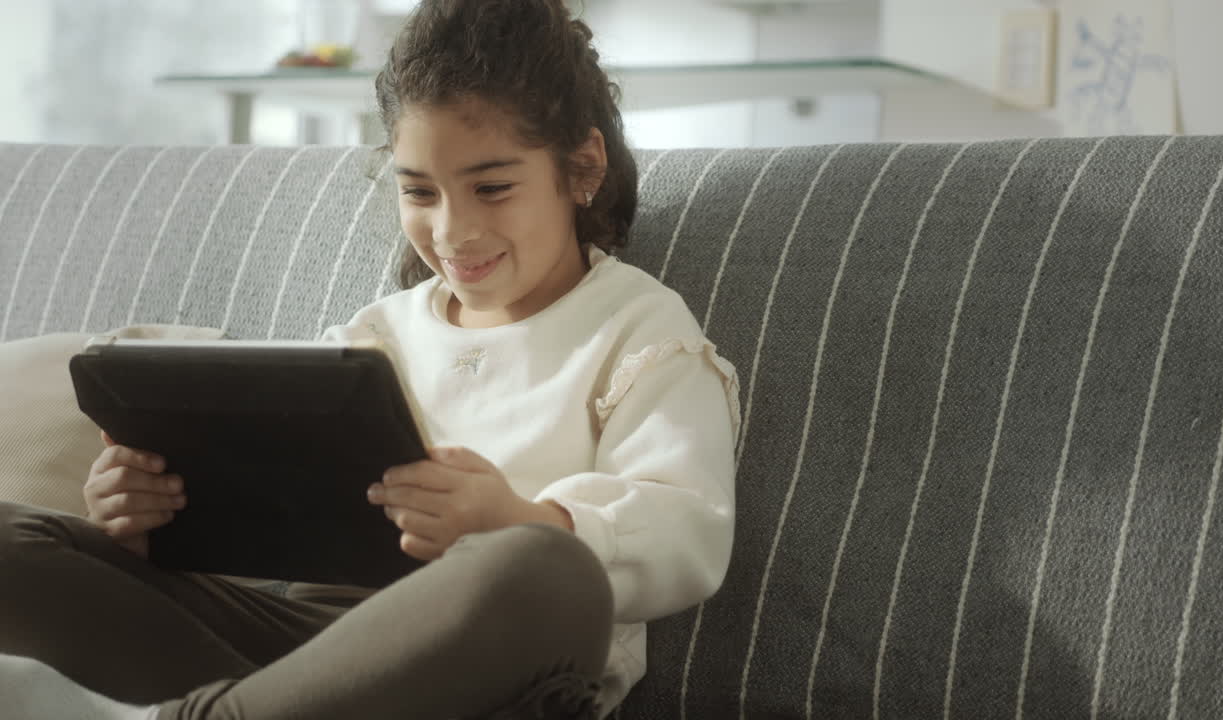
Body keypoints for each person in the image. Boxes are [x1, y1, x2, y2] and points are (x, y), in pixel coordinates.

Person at [0, 0, 739, 718]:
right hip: (298, 661)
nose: (453, 231)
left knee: (546, 567)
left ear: (582, 168)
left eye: (492, 188)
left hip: (481, 669)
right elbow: (274, 527)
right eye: (419, 191)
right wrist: (148, 522)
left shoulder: (637, 327)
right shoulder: (369, 338)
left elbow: (689, 532)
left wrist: (517, 517)